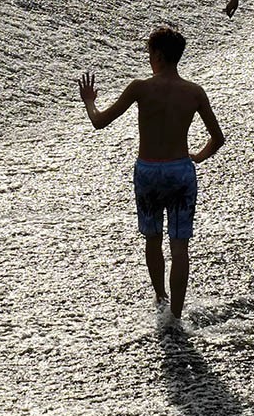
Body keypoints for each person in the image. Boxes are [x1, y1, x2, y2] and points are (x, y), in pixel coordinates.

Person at [78, 26, 225, 321]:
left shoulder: (140, 88)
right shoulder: (194, 92)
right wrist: (195, 156)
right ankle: (176, 315)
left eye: (149, 53)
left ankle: (161, 299)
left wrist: (89, 101)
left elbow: (99, 122)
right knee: (180, 245)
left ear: (157, 55)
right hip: (180, 171)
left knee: (153, 239)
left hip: (148, 172)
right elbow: (217, 138)